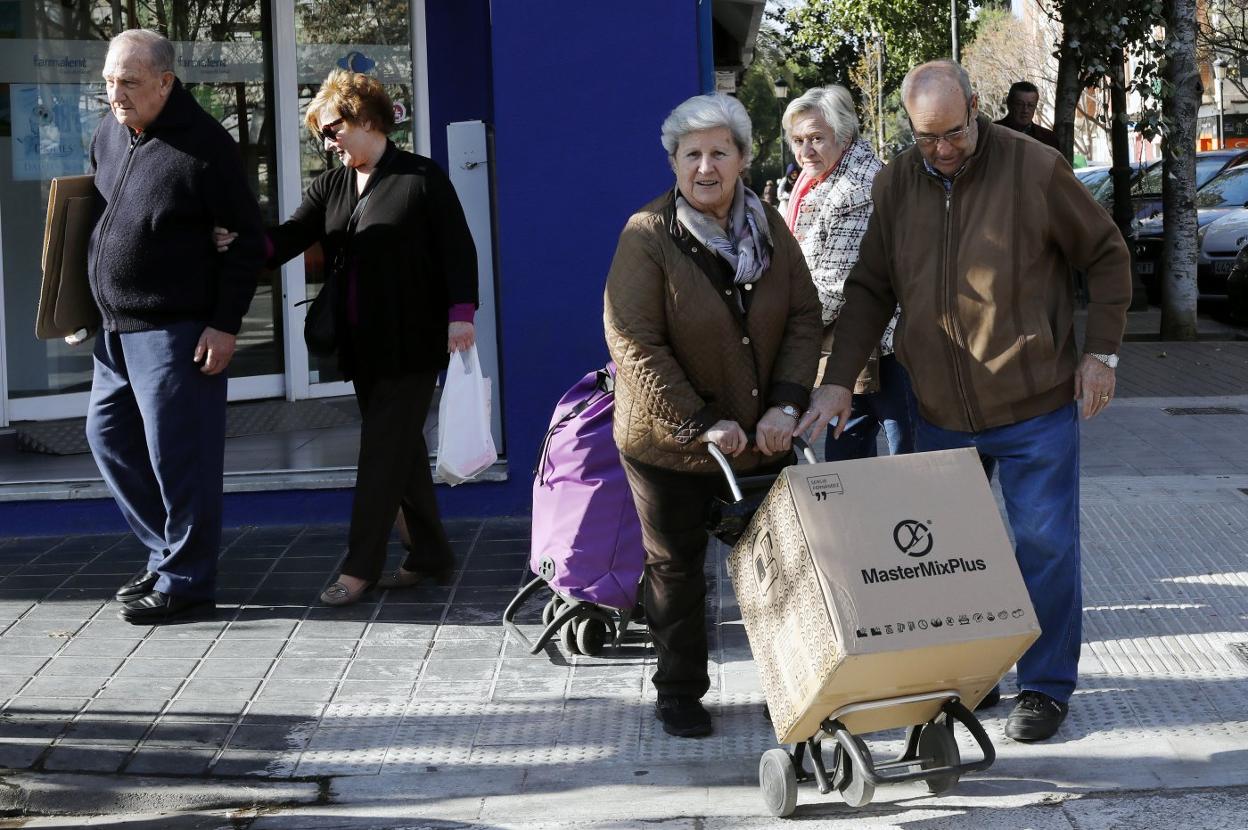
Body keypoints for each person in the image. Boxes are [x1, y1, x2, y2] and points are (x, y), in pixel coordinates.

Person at [802, 61, 1130, 742]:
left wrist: (1100, 353)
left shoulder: (1035, 169)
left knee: (1044, 548)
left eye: (953, 133)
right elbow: (869, 288)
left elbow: (1105, 253)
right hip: (939, 411)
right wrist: (838, 378)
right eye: (927, 139)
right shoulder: (896, 183)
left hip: (1035, 402)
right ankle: (965, 681)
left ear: (975, 108)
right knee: (945, 558)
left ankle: (1043, 688)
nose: (943, 150)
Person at [604, 93, 822, 738]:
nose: (706, 166)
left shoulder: (771, 227)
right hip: (670, 443)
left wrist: (787, 401)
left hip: (762, 435)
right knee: (675, 567)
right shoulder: (647, 236)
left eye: (719, 152)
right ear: (673, 163)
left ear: (744, 159)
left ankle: (794, 682)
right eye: (691, 154)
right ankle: (678, 692)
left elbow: (804, 317)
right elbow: (632, 341)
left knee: (782, 569)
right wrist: (701, 420)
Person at [264, 70, 478, 606]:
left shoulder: (421, 178)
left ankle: (360, 566)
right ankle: (429, 553)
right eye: (322, 134)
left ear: (366, 118)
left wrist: (461, 314)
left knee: (380, 452)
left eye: (334, 129)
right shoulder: (332, 183)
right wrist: (238, 247)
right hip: (360, 345)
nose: (328, 141)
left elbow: (458, 250)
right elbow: (292, 235)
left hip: (412, 341)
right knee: (401, 452)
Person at [81, 29, 264, 625]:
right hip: (115, 328)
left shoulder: (207, 148)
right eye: (109, 81)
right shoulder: (109, 133)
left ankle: (186, 582)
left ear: (166, 81)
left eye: (129, 82)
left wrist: (224, 324)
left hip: (177, 330)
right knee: (108, 438)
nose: (115, 94)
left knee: (180, 458)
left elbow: (246, 242)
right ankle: (167, 556)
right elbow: (102, 217)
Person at [782, 86, 914, 461]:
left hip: (889, 351)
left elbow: (835, 287)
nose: (805, 151)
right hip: (853, 352)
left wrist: (782, 328)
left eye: (816, 139)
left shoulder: (856, 188)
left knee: (914, 465)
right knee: (849, 465)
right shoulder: (820, 179)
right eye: (798, 140)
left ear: (844, 135)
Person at [994, 81, 1060, 151]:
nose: (1025, 110)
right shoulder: (992, 133)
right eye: (1019, 104)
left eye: (1030, 105)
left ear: (1035, 106)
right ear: (1009, 104)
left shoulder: (1049, 139)